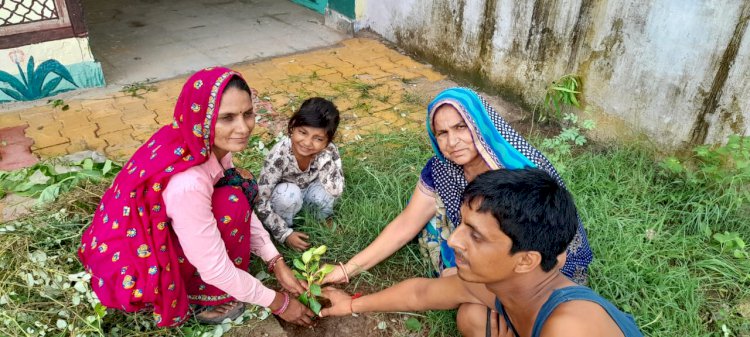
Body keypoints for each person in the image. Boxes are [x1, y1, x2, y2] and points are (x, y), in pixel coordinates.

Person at [322, 87, 593, 335]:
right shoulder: (442, 168)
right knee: (471, 316)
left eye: (461, 127)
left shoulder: (523, 175)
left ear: (480, 124)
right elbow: (407, 224)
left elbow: (556, 253)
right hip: (495, 262)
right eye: (442, 133)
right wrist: (346, 270)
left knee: (475, 308)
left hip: (539, 271)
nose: (453, 141)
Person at [78, 67, 315, 327]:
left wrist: (275, 261)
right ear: (201, 117)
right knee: (232, 203)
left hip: (154, 230)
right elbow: (215, 267)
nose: (243, 127)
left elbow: (240, 203)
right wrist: (278, 302)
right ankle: (204, 298)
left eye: (247, 114)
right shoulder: (189, 182)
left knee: (235, 192)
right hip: (137, 264)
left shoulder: (202, 141)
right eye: (227, 118)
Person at [321, 168, 643, 337]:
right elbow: (421, 293)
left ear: (527, 260)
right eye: (462, 224)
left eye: (475, 235)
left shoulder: (570, 328)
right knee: (471, 316)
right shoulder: (503, 283)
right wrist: (350, 304)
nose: (453, 241)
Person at [255, 97, 343, 251]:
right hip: (286, 195)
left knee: (325, 195)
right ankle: (287, 228)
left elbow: (336, 190)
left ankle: (319, 218)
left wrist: (324, 158)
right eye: (303, 132)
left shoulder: (328, 151)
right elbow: (260, 200)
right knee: (288, 195)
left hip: (310, 190)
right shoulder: (279, 154)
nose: (308, 143)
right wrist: (284, 233)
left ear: (328, 141)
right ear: (292, 128)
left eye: (318, 138)